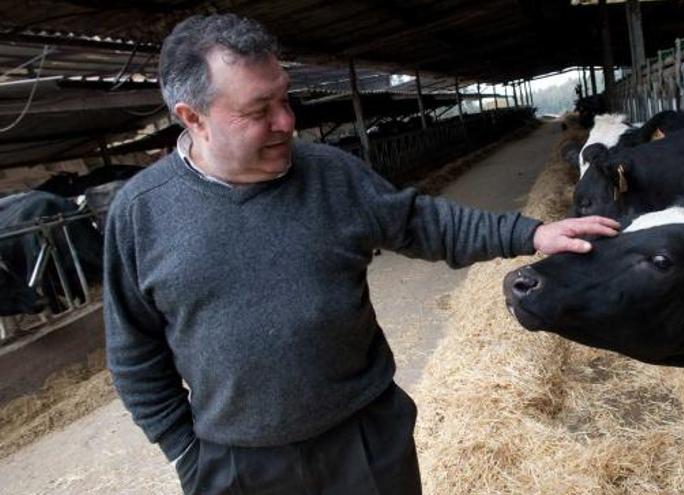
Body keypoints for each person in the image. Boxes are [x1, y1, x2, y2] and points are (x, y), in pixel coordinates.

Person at [103, 13, 619, 495]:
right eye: (259, 111)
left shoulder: (330, 173)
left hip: (365, 441)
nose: (287, 122)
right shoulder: (141, 214)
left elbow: (422, 223)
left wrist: (531, 234)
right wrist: (188, 454)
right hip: (238, 463)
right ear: (193, 118)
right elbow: (133, 353)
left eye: (285, 99)